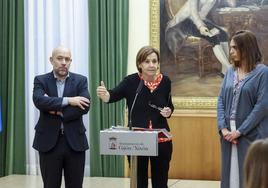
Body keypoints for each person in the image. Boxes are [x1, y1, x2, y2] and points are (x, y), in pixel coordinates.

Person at [96, 46, 174, 188]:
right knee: (139, 181)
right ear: (140, 64)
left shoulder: (166, 82)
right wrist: (105, 95)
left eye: (154, 61)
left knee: (161, 182)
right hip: (137, 141)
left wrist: (169, 111)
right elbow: (112, 95)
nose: (151, 65)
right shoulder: (131, 81)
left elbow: (170, 105)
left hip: (161, 140)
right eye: (147, 61)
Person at [32, 46, 90, 188]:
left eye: (67, 59)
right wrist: (69, 101)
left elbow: (85, 106)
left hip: (74, 142)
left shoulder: (81, 80)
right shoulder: (41, 80)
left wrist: (55, 110)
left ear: (70, 61)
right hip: (48, 142)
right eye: (60, 58)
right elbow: (39, 101)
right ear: (51, 60)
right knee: (50, 185)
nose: (64, 62)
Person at [217, 30, 268, 188]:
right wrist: (223, 128)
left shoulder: (263, 73)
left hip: (251, 134)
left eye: (234, 47)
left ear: (246, 48)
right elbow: (220, 100)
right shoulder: (230, 71)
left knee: (249, 177)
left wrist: (241, 131)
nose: (230, 51)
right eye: (230, 47)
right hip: (228, 135)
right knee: (230, 177)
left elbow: (262, 106)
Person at [165, 0, 230, 75]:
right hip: (185, 22)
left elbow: (203, 14)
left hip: (200, 21)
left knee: (223, 34)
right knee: (212, 37)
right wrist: (201, 26)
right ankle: (229, 67)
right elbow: (193, 13)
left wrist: (213, 27)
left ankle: (224, 71)